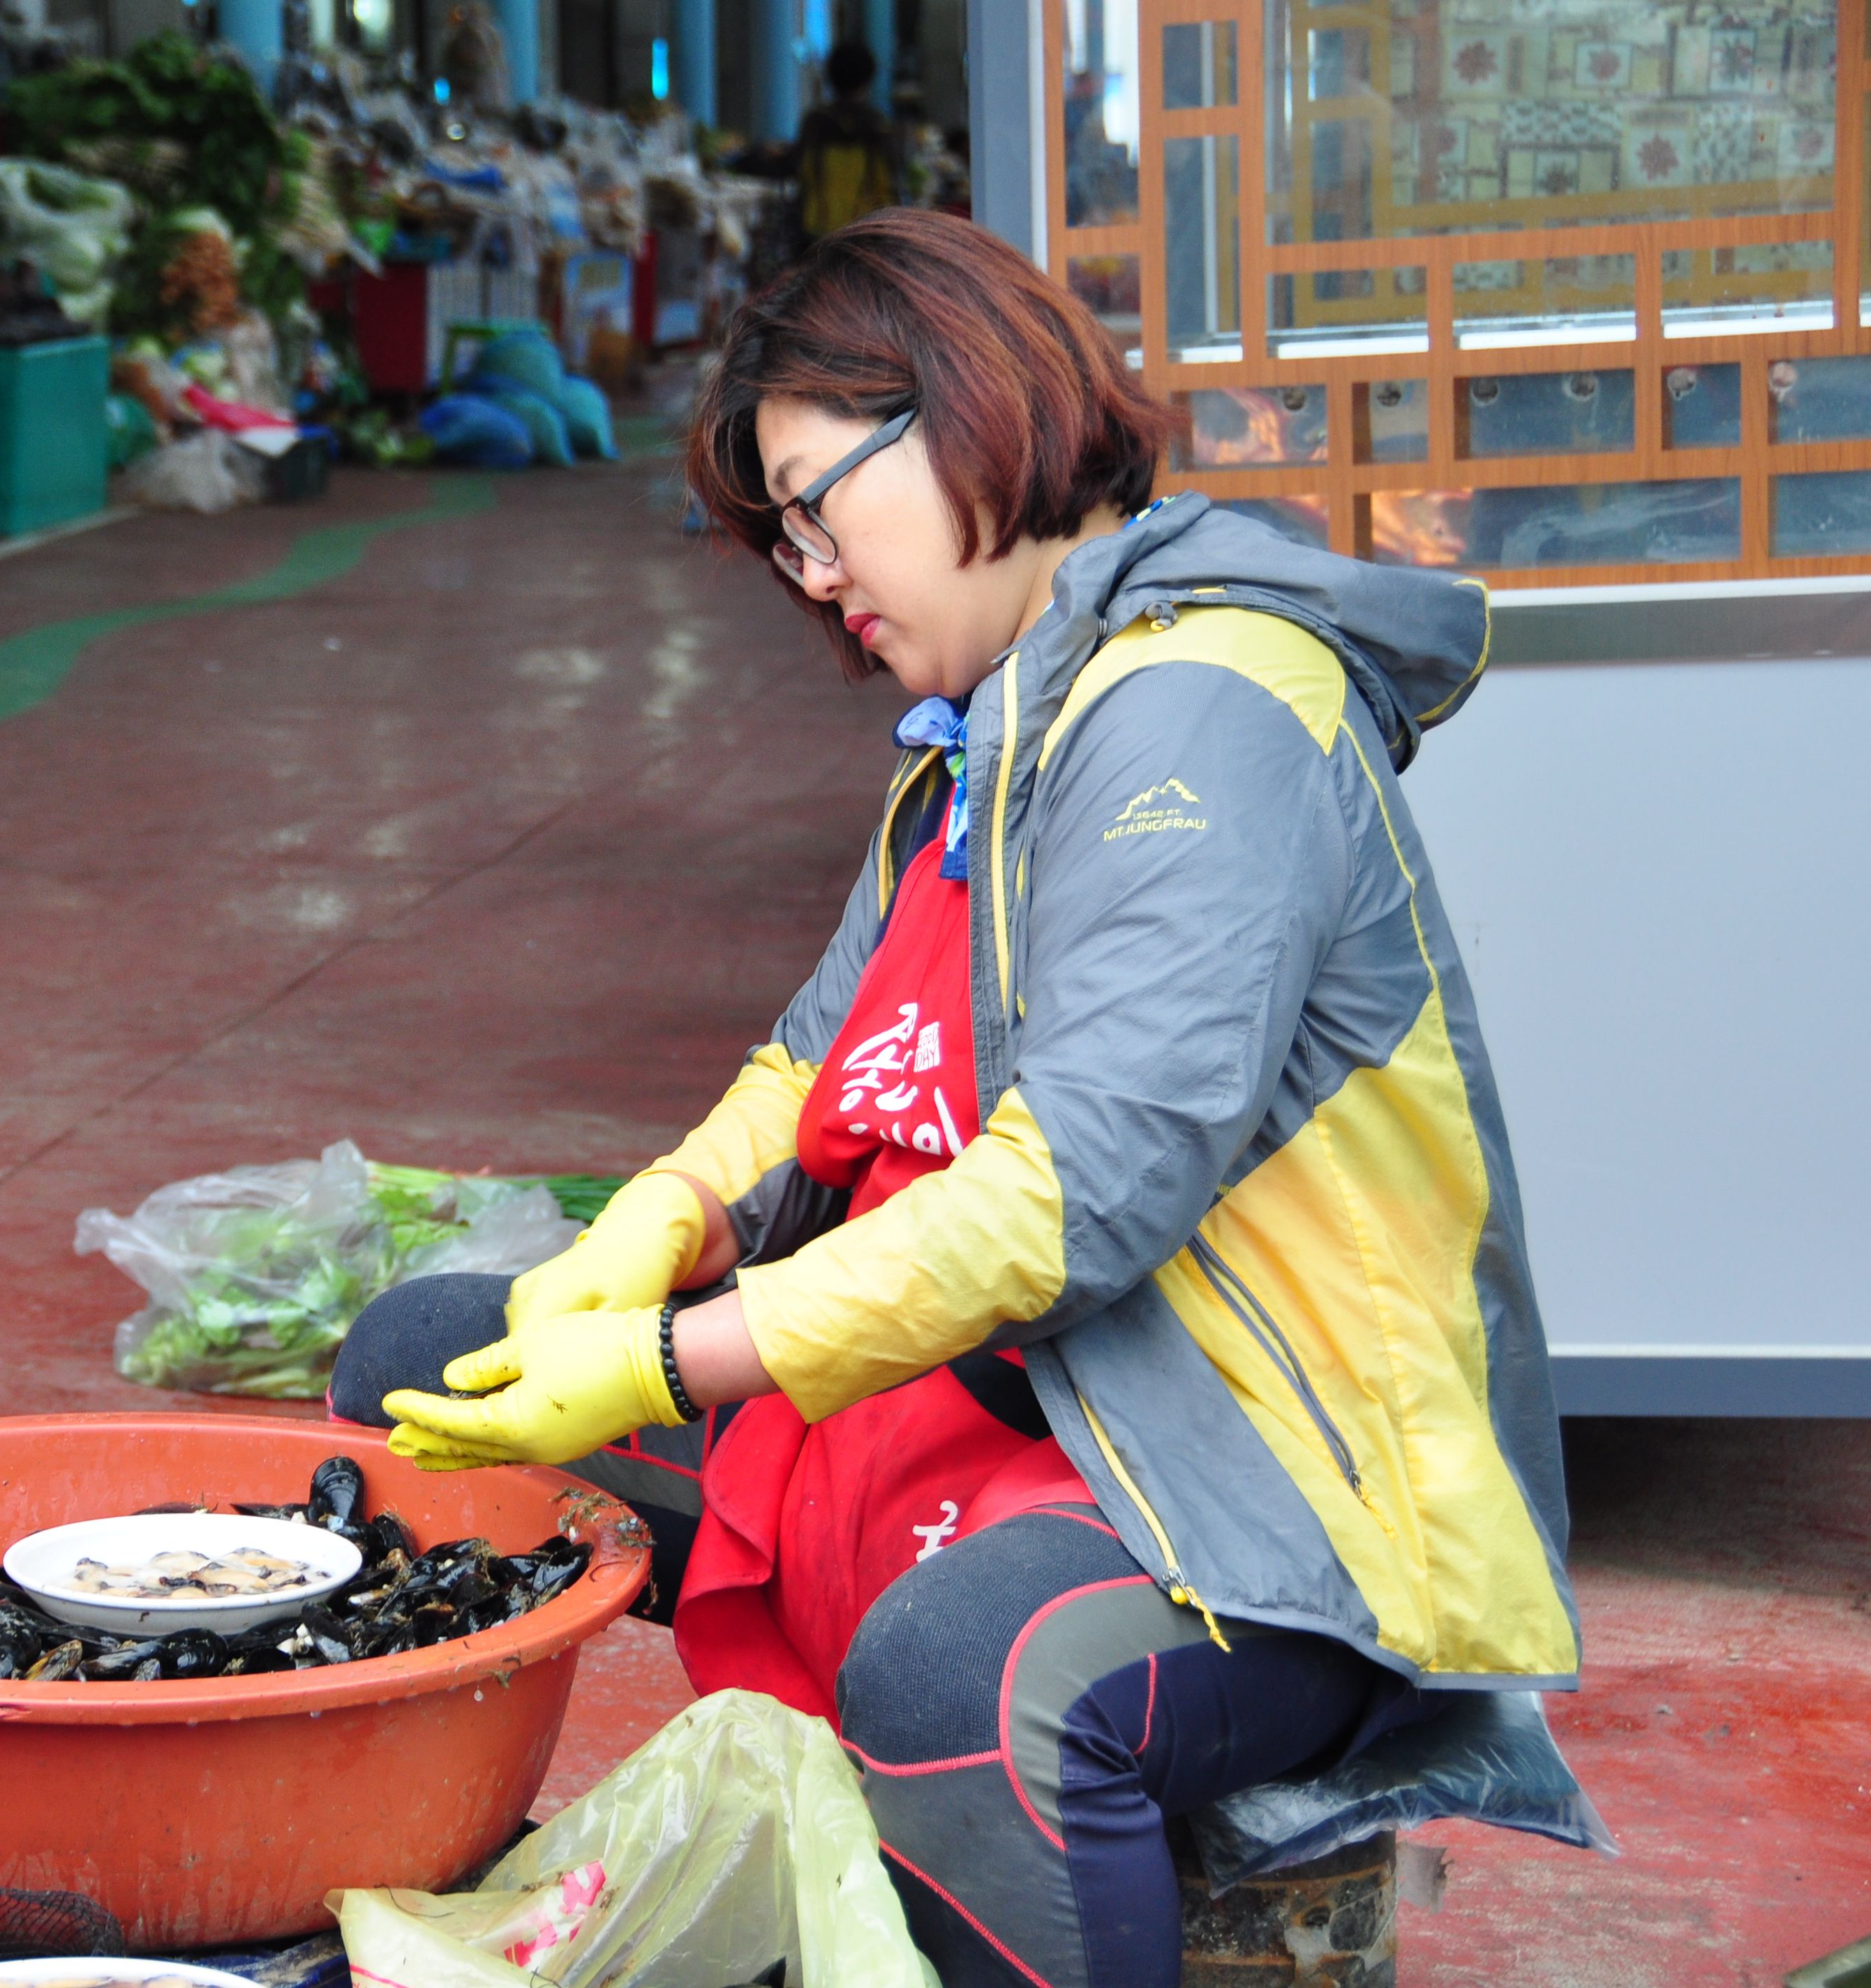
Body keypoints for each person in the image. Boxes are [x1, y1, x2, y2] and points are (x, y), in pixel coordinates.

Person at [333, 209, 1582, 1988]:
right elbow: (811, 1056)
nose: (808, 569)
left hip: (1247, 1472)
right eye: (776, 534)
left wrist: (666, 1356)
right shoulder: (979, 741)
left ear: (957, 412)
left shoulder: (1201, 710)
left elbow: (1074, 1193)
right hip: (1001, 1390)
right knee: (414, 1364)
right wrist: (650, 1231)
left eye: (811, 503)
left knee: (969, 1675)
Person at [796, 41, 896, 239]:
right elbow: (889, 178)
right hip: (868, 226)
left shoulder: (815, 122)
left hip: (818, 227)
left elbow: (801, 172)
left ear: (830, 77)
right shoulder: (876, 124)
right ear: (869, 78)